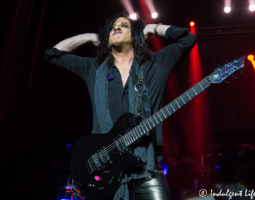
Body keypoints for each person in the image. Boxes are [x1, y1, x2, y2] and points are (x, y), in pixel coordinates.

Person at [45, 12, 196, 200]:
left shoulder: (156, 64)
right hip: (103, 167)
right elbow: (53, 54)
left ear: (136, 36)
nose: (116, 28)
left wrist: (151, 28)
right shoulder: (93, 67)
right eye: (112, 27)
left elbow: (188, 39)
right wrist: (91, 37)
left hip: (146, 165)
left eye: (124, 26)